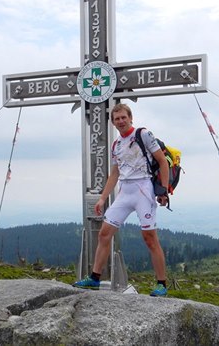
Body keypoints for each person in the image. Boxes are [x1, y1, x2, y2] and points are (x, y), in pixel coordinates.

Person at [73, 103, 170, 297]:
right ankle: (94, 278)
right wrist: (102, 199)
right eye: (116, 119)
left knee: (150, 238)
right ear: (113, 123)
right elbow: (114, 173)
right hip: (125, 191)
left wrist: (164, 190)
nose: (120, 121)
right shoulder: (116, 145)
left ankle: (161, 284)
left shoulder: (143, 135)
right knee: (104, 234)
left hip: (144, 189)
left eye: (123, 117)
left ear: (130, 118)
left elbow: (162, 161)